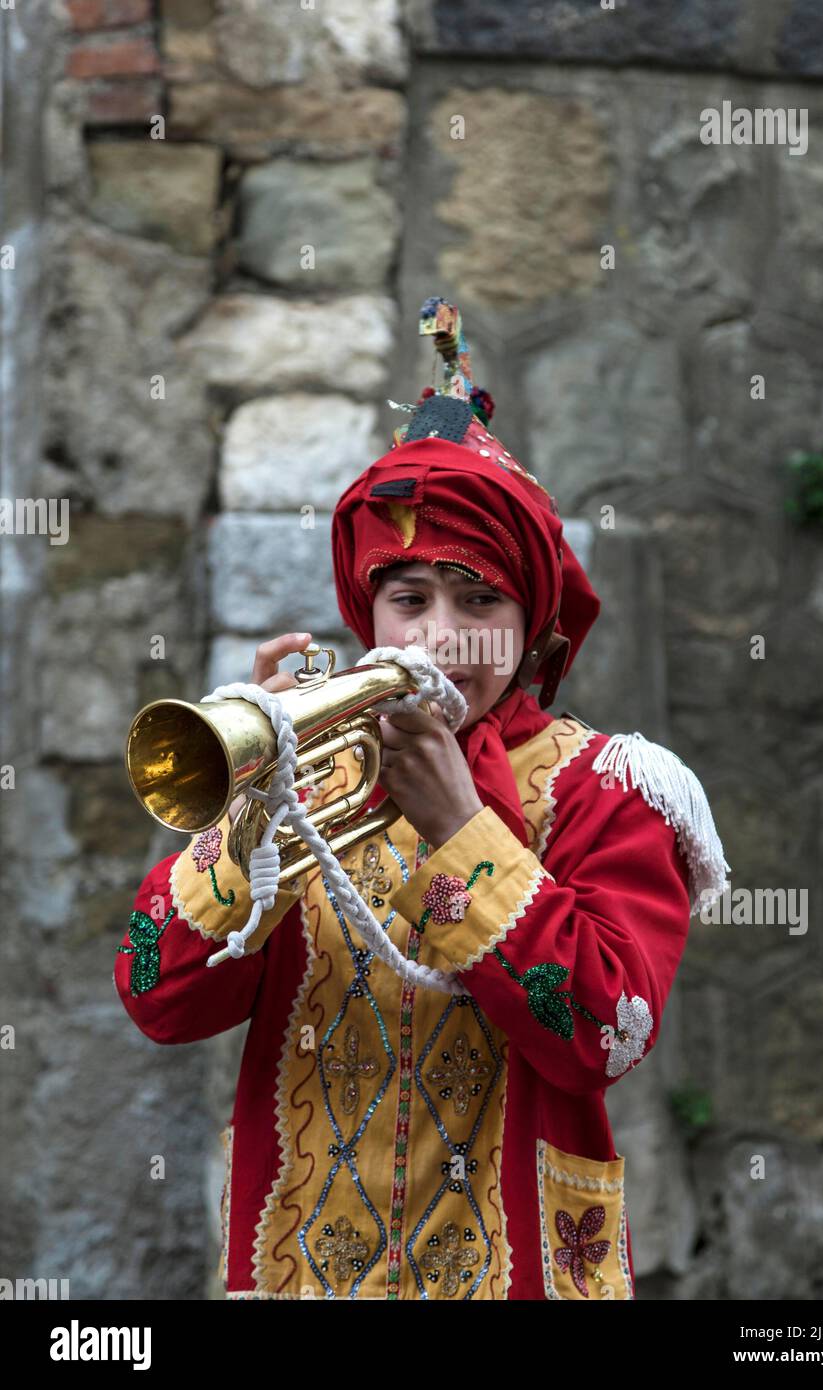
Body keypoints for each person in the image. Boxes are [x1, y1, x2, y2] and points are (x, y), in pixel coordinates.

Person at [115, 297, 728, 1300]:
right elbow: (160, 996)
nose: (440, 638)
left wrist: (459, 830)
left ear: (532, 627)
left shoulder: (612, 787)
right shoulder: (309, 773)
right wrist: (253, 806)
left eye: (478, 599)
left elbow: (604, 1032)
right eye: (408, 600)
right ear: (371, 613)